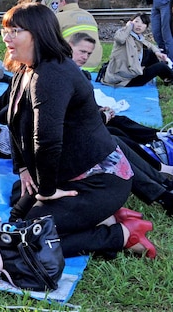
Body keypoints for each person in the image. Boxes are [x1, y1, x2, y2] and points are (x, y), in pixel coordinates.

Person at [2, 2, 153, 259]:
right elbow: (15, 124)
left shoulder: (52, 74)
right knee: (17, 210)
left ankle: (122, 235)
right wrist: (24, 169)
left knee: (25, 241)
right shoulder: (25, 69)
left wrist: (47, 191)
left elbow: (47, 141)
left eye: (15, 31)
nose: (6, 37)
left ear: (37, 34)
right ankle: (102, 217)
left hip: (100, 182)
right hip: (69, 172)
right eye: (6, 30)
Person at [67, 33, 173, 216]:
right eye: (82, 51)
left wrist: (99, 112)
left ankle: (163, 183)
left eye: (88, 53)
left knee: (116, 136)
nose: (84, 56)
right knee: (110, 142)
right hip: (68, 143)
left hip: (77, 133)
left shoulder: (66, 72)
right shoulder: (56, 75)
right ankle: (163, 193)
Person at [102, 14, 173, 87]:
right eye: (136, 22)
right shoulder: (123, 34)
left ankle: (167, 79)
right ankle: (170, 77)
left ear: (146, 27)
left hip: (132, 72)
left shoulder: (139, 38)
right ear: (131, 23)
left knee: (151, 53)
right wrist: (128, 27)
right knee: (160, 66)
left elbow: (149, 44)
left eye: (143, 23)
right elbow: (120, 39)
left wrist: (158, 53)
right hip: (125, 79)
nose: (139, 25)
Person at [55, 0, 101, 70]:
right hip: (94, 62)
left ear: (63, 2)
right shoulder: (89, 15)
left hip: (72, 63)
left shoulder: (59, 17)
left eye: (57, 2)